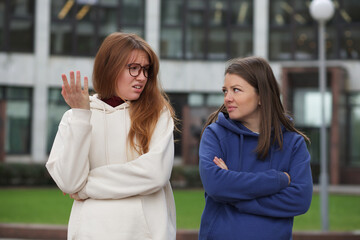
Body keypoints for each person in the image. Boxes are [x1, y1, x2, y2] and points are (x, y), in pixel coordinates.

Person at [46, 32, 177, 240]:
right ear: (110, 67)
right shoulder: (74, 117)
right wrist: (81, 115)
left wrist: (85, 187)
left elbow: (155, 174)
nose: (142, 77)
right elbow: (70, 182)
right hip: (90, 233)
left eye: (146, 70)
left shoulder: (157, 114)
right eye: (134, 68)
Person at [198, 56, 313, 240]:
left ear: (261, 96)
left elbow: (300, 200)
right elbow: (215, 185)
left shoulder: (293, 144)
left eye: (236, 90)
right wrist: (278, 180)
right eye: (225, 91)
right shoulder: (215, 134)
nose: (228, 98)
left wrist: (234, 194)